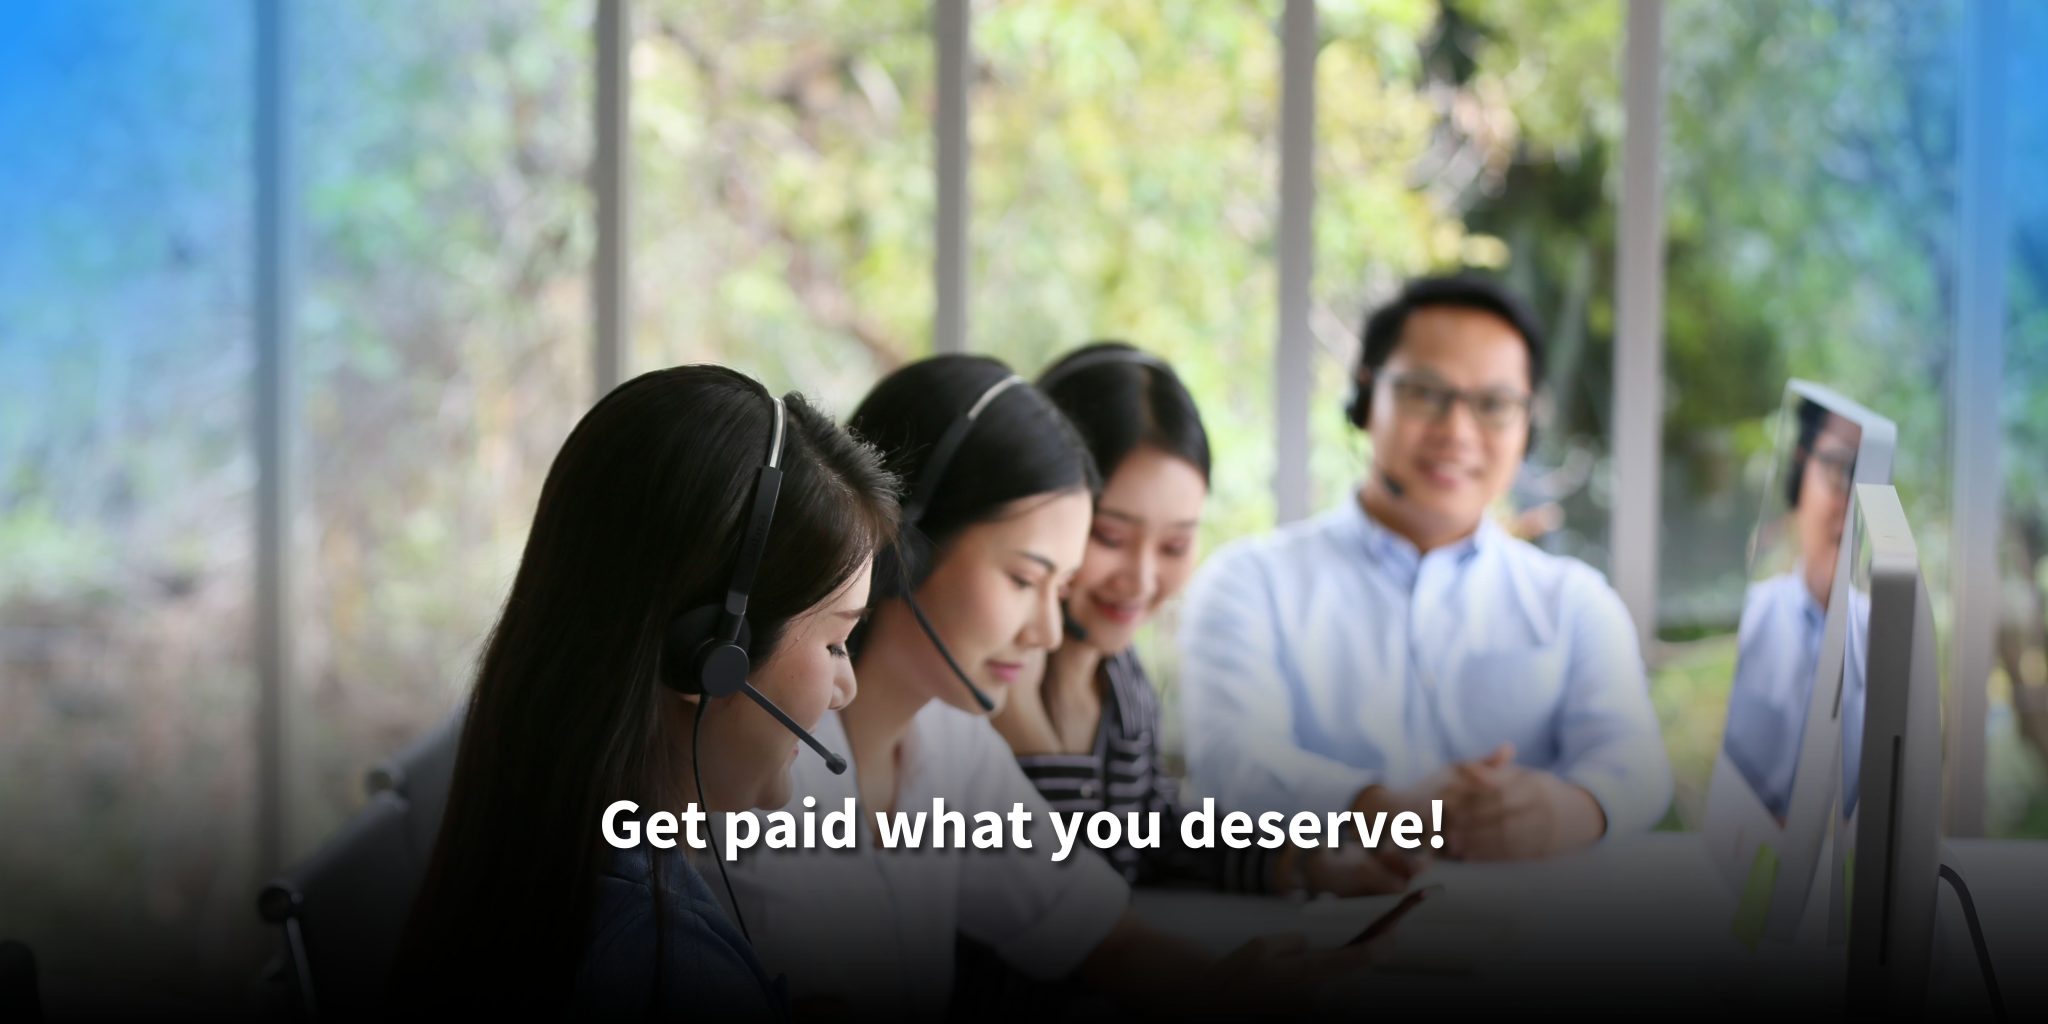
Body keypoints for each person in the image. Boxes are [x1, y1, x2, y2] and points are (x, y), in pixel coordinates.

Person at [726, 355, 1379, 1019]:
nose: (1045, 630)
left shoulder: (952, 744)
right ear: (902, 546)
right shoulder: (752, 768)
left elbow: (1103, 937)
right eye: (1023, 580)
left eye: (1059, 588)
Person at [388, 366, 899, 1017]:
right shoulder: (663, 964)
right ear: (713, 654)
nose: (846, 686)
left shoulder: (551, 858)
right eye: (834, 643)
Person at [1179, 275, 1672, 861]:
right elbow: (1229, 764)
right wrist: (1384, 812)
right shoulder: (1249, 583)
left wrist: (1569, 810)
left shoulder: (1575, 602)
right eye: (1424, 393)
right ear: (1365, 400)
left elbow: (1637, 768)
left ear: (1526, 428)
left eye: (1493, 405)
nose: (1457, 433)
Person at [991, 341, 1421, 897]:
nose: (1142, 578)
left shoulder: (1120, 680)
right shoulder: (982, 682)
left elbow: (1155, 834)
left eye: (1174, 545)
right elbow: (1057, 899)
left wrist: (1305, 865)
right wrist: (1028, 728)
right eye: (1110, 537)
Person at [1722, 397, 1867, 820]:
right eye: (1841, 468)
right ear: (1801, 470)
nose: (1853, 501)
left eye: (1870, 479)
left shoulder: (1892, 638)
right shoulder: (1748, 620)